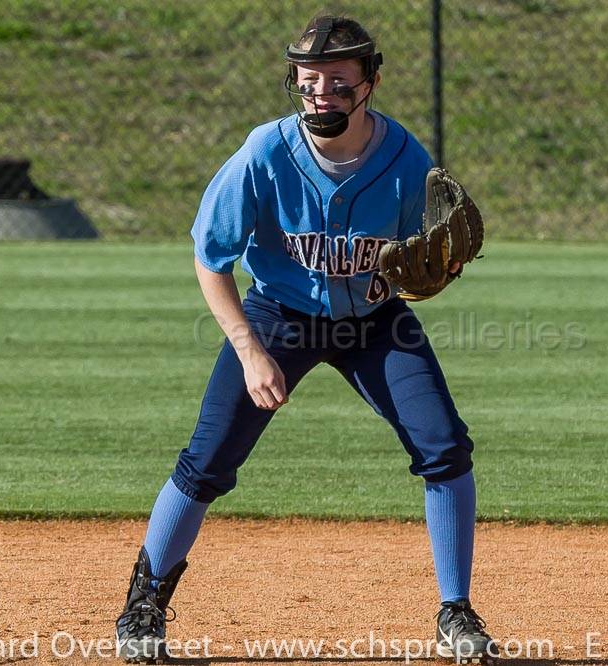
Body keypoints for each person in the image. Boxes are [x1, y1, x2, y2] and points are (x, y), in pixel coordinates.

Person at [114, 15, 496, 665]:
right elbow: (212, 260)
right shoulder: (263, 154)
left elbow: (428, 250)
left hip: (375, 321)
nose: (322, 91)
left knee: (445, 447)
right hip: (277, 317)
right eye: (310, 79)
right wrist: (250, 350)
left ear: (370, 83)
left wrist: (442, 271)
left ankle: (455, 611)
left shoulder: (406, 160)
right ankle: (142, 606)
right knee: (207, 462)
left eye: (339, 79)